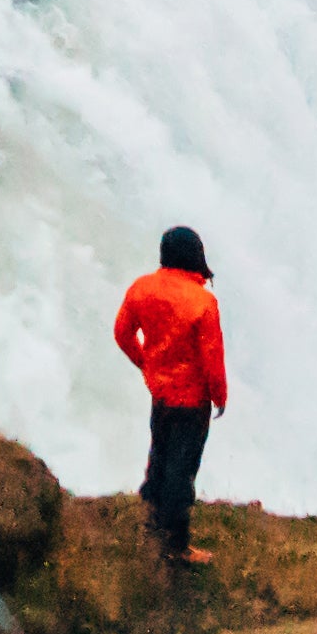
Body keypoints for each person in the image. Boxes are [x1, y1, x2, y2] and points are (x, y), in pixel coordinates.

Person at [110, 227, 226, 566]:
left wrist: (146, 364)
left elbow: (122, 333)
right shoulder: (202, 302)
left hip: (159, 392)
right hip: (192, 401)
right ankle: (176, 546)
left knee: (159, 455)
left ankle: (147, 514)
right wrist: (219, 396)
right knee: (181, 469)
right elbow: (212, 358)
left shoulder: (142, 288)